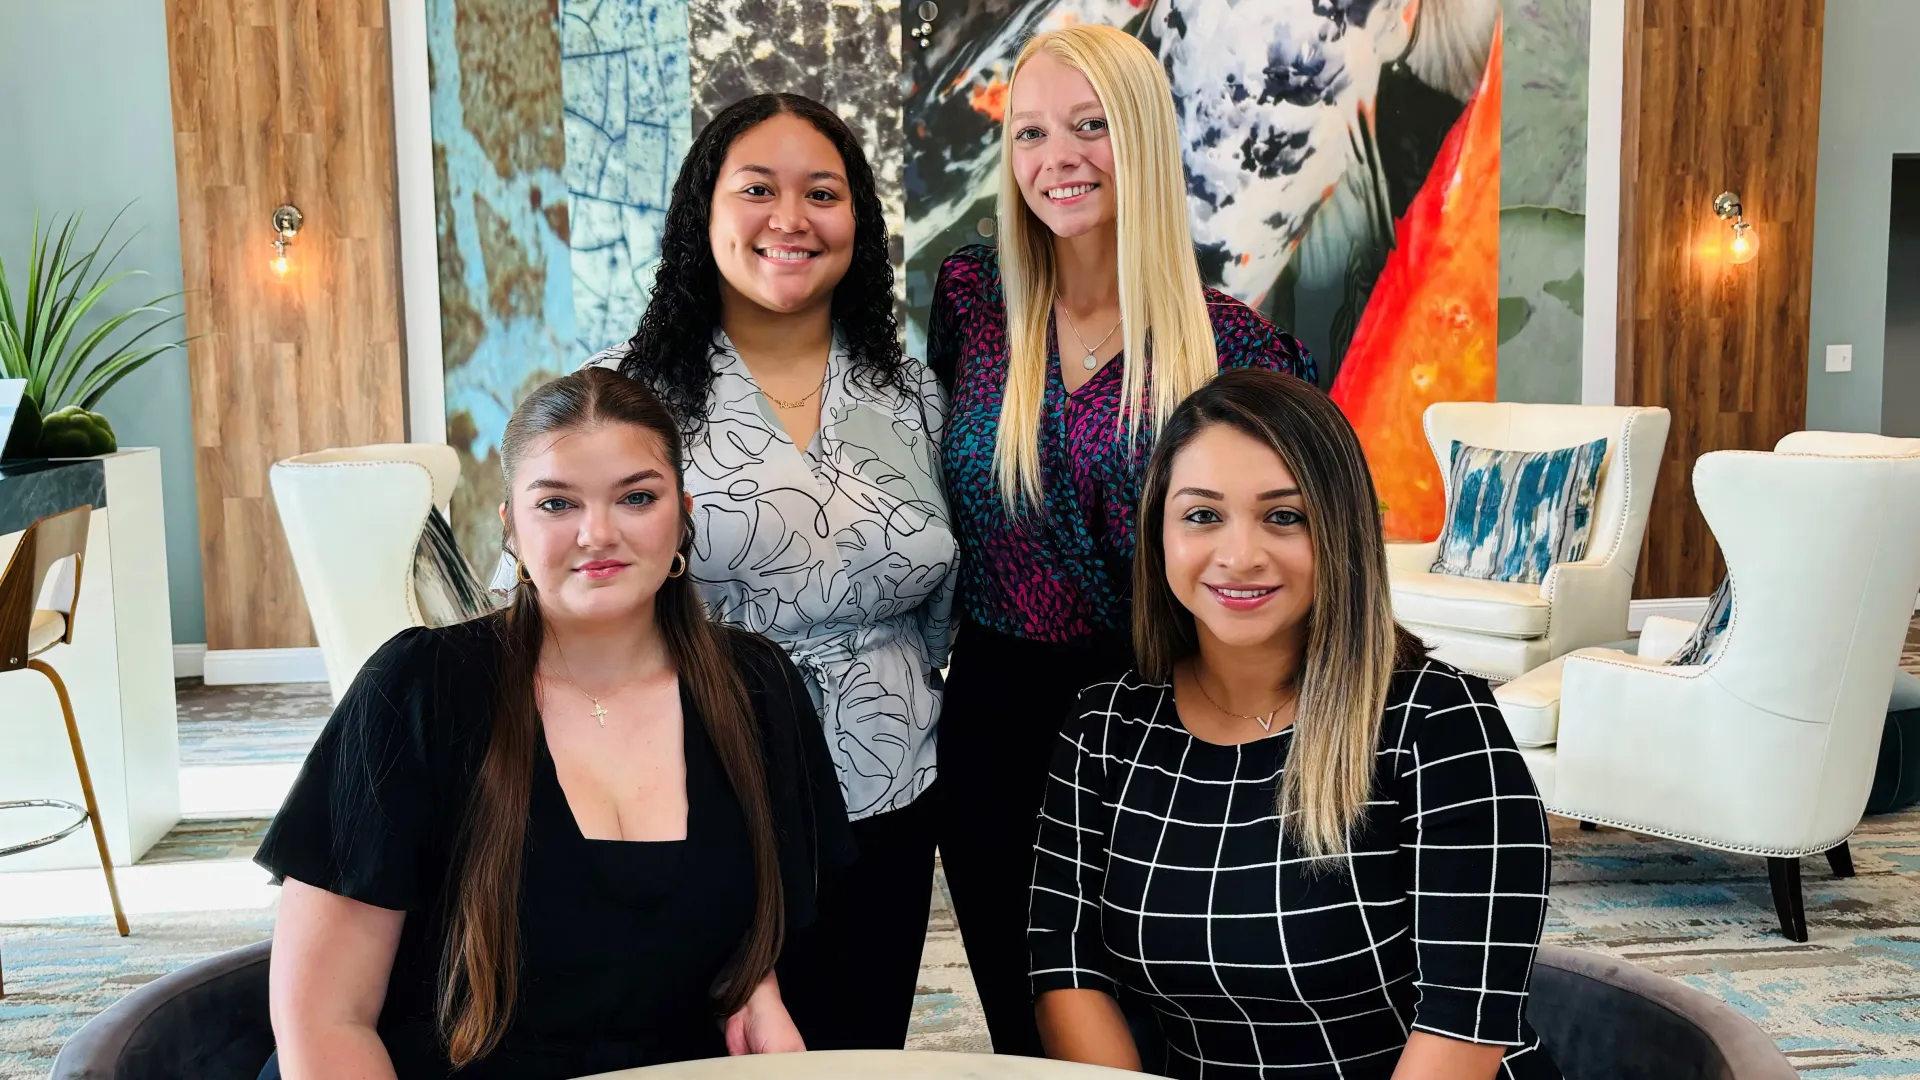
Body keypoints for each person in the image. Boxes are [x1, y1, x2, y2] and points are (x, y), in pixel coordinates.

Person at [257, 369, 853, 1080]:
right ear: (511, 525)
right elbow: (324, 1018)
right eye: (557, 503)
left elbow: (757, 930)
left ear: (682, 515)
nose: (597, 533)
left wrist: (753, 984)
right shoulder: (420, 689)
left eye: (637, 497)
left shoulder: (758, 688)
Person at [926, 23, 1316, 1057]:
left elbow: (1310, 540)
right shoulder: (972, 303)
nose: (1059, 158)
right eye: (1033, 132)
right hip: (997, 720)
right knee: (1028, 1021)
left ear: (1141, 138)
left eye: (1091, 126)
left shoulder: (1233, 346)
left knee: (1176, 1012)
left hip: (1170, 714)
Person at [1029, 369, 1559, 1080]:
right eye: (1202, 515)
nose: (1239, 555)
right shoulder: (1105, 724)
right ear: (1159, 531)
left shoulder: (1440, 725)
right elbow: (1066, 967)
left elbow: (1464, 1026)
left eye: (1284, 516)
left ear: (1339, 531)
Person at [590, 93, 955, 1051]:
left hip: (890, 782)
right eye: (757, 190)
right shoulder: (625, 396)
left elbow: (946, 604)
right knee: (714, 1050)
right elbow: (565, 605)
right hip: (703, 782)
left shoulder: (913, 394)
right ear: (703, 213)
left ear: (859, 224)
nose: (790, 220)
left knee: (860, 1040)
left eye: (821, 194)